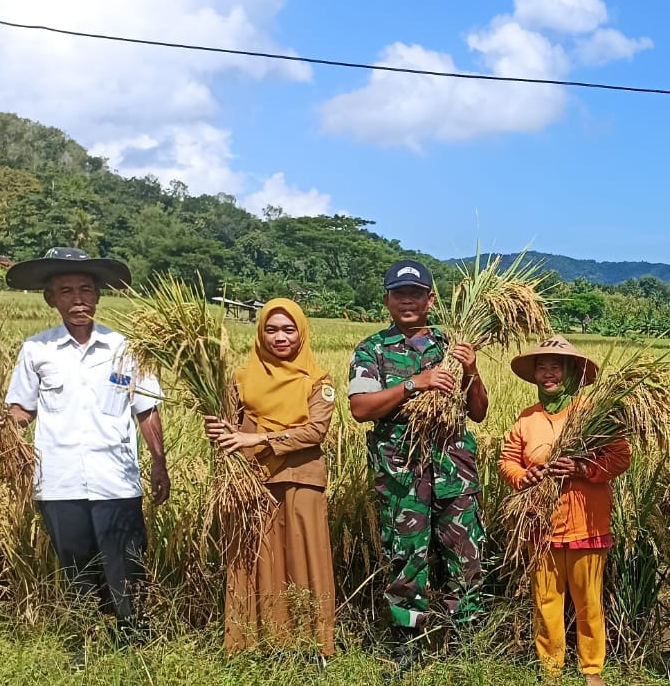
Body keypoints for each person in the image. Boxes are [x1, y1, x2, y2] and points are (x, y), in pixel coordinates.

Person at [0, 247, 168, 662]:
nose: (78, 299)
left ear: (99, 295)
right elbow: (21, 412)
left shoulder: (125, 348)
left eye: (86, 289)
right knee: (77, 568)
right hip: (59, 480)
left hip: (117, 478)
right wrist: (0, 421)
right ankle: (85, 646)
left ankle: (134, 645)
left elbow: (147, 409)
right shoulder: (37, 350)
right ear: (51, 299)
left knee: (126, 567)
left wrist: (159, 464)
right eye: (66, 291)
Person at [347, 260, 488, 664]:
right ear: (387, 300)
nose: (406, 300)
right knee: (407, 554)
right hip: (401, 471)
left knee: (465, 552)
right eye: (398, 293)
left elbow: (478, 412)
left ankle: (464, 641)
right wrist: (414, 384)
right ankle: (406, 643)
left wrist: (472, 370)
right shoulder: (372, 350)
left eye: (415, 293)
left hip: (454, 470)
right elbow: (360, 408)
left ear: (430, 298)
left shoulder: (452, 346)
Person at [203, 298, 336, 662]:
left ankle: (313, 647)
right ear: (261, 333)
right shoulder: (241, 379)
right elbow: (228, 427)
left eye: (288, 329)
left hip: (300, 478)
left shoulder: (318, 380)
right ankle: (256, 643)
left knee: (305, 557)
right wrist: (218, 428)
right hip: (252, 481)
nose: (280, 337)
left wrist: (258, 439)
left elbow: (315, 432)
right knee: (257, 558)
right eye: (271, 329)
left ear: (301, 333)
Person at [498, 336, 632, 686]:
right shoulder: (528, 419)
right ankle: (551, 671)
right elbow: (508, 459)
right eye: (542, 367)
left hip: (586, 522)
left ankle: (592, 671)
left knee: (588, 599)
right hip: (541, 527)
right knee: (546, 601)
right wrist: (521, 476)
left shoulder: (593, 414)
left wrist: (583, 468)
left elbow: (621, 457)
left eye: (556, 366)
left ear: (572, 371)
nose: (548, 373)